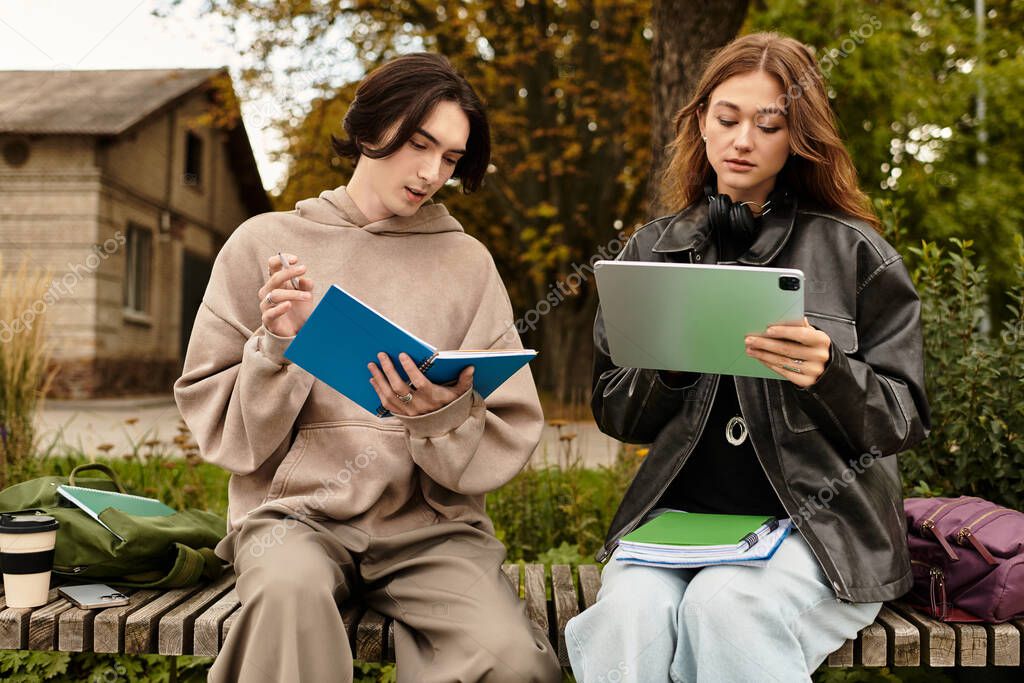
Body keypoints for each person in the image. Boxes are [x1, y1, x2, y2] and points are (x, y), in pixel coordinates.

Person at [174, 53, 561, 683]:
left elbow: (508, 430)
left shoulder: (467, 263)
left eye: (452, 159)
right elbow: (224, 434)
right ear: (369, 128)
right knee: (287, 599)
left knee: (510, 658)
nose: (433, 172)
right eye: (419, 143)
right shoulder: (260, 244)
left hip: (432, 534)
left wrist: (439, 417)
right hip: (294, 521)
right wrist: (276, 348)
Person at [564, 32, 931, 683]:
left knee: (726, 605)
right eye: (727, 118)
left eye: (769, 124)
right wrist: (668, 364)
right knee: (629, 615)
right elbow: (615, 412)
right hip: (679, 521)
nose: (742, 140)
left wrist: (830, 374)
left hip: (820, 527)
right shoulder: (651, 250)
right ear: (700, 120)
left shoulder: (856, 252)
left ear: (799, 135)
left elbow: (902, 419)